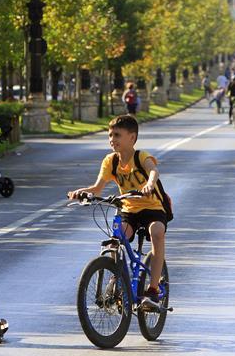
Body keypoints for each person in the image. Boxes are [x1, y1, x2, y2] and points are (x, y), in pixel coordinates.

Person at [67, 115, 170, 306]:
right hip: (128, 209)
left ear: (132, 138)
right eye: (110, 135)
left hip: (152, 207)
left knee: (156, 232)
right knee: (117, 237)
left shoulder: (140, 157)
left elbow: (154, 170)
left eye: (117, 135)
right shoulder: (110, 161)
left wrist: (149, 183)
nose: (112, 139)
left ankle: (153, 289)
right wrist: (82, 192)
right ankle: (117, 276)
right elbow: (98, 188)